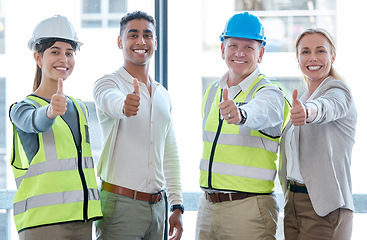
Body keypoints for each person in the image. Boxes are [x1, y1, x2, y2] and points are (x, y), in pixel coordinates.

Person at [196, 11, 289, 240]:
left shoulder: (269, 92)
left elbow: (263, 111)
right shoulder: (212, 92)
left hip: (248, 211)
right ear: (222, 49)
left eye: (249, 47)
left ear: (261, 53)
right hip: (208, 207)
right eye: (233, 45)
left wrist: (241, 114)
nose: (239, 53)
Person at [9, 15, 103, 239]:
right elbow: (35, 122)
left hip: (82, 221)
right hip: (43, 224)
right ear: (38, 57)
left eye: (69, 53)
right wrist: (50, 112)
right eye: (55, 51)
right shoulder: (22, 108)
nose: (64, 59)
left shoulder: (80, 109)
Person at [93, 10, 183, 240]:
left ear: (155, 41)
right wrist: (124, 105)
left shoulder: (163, 94)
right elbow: (109, 99)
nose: (141, 41)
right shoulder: (108, 83)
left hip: (158, 208)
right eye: (133, 35)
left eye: (147, 35)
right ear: (119, 42)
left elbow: (169, 153)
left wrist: (176, 205)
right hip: (120, 206)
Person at [279, 28, 357, 240]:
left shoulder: (339, 91)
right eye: (305, 52)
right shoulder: (302, 98)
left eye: (320, 51)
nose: (312, 57)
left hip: (323, 207)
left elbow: (326, 107)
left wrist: (307, 112)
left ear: (332, 56)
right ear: (297, 59)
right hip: (294, 203)